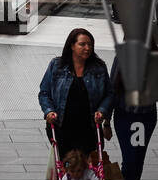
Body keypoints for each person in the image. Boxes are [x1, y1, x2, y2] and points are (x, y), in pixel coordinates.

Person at [39, 27, 114, 159]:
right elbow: (44, 92)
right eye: (82, 44)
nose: (87, 48)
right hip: (62, 129)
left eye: (90, 44)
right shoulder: (57, 66)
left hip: (89, 130)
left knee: (87, 168)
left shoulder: (98, 68)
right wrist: (48, 111)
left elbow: (109, 94)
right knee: (67, 166)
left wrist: (102, 111)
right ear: (72, 46)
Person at [109, 46, 158, 180]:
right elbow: (112, 88)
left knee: (137, 159)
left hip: (145, 118)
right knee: (130, 159)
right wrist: (106, 122)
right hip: (125, 116)